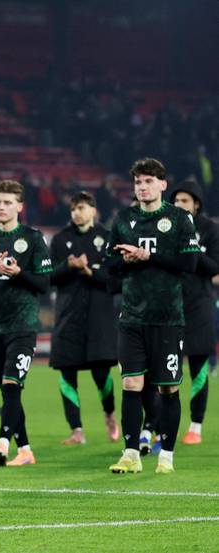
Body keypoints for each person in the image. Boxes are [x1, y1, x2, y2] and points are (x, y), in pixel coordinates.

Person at [107, 158, 199, 475]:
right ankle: (131, 453)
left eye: (148, 181)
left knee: (167, 389)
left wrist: (148, 256)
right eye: (138, 182)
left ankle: (166, 457)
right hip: (132, 317)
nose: (142, 187)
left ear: (163, 184)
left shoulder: (180, 220)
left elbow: (189, 266)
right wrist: (126, 262)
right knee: (132, 383)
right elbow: (109, 272)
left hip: (168, 318)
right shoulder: (123, 220)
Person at [0, 180, 52, 467]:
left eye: (6, 202)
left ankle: (3, 441)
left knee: (12, 384)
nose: (0, 207)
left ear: (20, 206)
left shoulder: (33, 238)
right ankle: (26, 449)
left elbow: (44, 284)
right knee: (7, 390)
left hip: (23, 324)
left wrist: (18, 273)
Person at [48, 191, 119, 445]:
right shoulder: (59, 240)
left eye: (81, 208)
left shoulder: (107, 238)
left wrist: (91, 272)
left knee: (102, 375)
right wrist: (68, 266)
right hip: (68, 317)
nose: (76, 213)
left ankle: (110, 414)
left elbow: (115, 279)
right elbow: (47, 277)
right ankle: (76, 430)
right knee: (67, 374)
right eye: (73, 209)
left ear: (93, 210)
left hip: (99, 319)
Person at [171, 179, 219, 445]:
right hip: (170, 305)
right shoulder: (166, 227)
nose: (179, 205)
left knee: (198, 368)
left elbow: (214, 267)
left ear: (196, 204)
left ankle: (196, 426)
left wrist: (192, 250)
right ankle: (164, 424)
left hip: (199, 305)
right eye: (176, 201)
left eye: (185, 201)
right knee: (167, 370)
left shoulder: (209, 229)